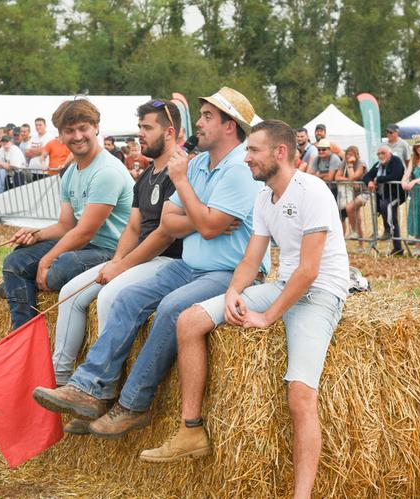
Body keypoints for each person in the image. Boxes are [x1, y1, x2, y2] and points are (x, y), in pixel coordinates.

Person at [31, 87, 268, 440]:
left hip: (228, 272)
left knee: (172, 309)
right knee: (125, 297)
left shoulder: (236, 170)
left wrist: (185, 187)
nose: (198, 124)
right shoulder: (200, 163)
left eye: (207, 117)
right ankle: (90, 388)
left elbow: (207, 225)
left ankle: (132, 405)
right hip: (190, 264)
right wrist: (201, 214)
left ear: (230, 126)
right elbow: (171, 223)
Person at [139, 120, 349, 499]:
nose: (247, 157)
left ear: (279, 153)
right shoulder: (263, 195)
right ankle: (191, 429)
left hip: (319, 293)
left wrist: (268, 317)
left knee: (300, 396)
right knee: (190, 320)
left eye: (253, 150)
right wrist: (236, 291)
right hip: (285, 286)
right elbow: (252, 260)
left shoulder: (312, 191)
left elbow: (309, 270)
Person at [49, 99, 184, 405]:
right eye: (140, 127)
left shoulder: (179, 172)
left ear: (168, 132)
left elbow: (164, 235)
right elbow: (133, 229)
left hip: (168, 260)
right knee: (69, 294)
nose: (140, 135)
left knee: (110, 295)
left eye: (147, 128)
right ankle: (62, 380)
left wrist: (122, 266)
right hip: (141, 257)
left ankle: (99, 389)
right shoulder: (147, 174)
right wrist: (118, 260)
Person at [0, 99, 134, 329]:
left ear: (96, 128)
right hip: (87, 245)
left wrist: (45, 260)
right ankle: (24, 336)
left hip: (111, 251)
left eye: (84, 128)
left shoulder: (107, 171)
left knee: (61, 265)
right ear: (60, 135)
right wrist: (37, 234)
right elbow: (66, 225)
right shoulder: (71, 172)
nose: (78, 136)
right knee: (15, 260)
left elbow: (84, 231)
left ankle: (16, 287)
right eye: (69, 131)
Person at [362, 145, 406, 255]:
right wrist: (370, 182)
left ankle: (389, 232)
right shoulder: (378, 165)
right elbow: (366, 176)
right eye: (378, 154)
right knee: (384, 207)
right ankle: (396, 246)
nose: (380, 155)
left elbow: (396, 176)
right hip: (383, 196)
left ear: (389, 153)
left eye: (383, 153)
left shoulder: (396, 161)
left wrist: (378, 179)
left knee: (388, 208)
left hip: (397, 195)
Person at [335, 146, 366, 240]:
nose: (349, 156)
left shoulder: (361, 164)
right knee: (357, 218)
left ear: (357, 155)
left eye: (352, 154)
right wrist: (350, 182)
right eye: (348, 154)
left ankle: (355, 232)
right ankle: (360, 244)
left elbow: (354, 177)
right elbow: (337, 177)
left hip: (363, 192)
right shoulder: (343, 163)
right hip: (350, 192)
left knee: (350, 208)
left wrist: (351, 165)